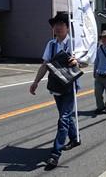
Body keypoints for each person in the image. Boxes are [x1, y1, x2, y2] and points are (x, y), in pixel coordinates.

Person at [29, 12, 81, 170]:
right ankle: (74, 138)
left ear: (67, 27)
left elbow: (85, 62)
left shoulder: (74, 43)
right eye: (55, 25)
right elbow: (45, 65)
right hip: (56, 85)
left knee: (63, 118)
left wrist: (77, 60)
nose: (58, 27)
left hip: (70, 85)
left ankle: (55, 154)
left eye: (61, 24)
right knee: (65, 115)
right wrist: (36, 82)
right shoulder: (51, 44)